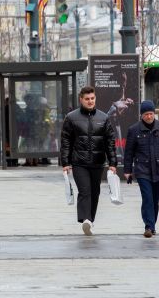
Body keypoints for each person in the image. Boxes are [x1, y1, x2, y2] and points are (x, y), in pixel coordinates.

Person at [60, 85, 117, 236]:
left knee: (95, 192)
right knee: (85, 191)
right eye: (87, 99)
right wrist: (65, 162)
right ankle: (85, 218)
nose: (90, 101)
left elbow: (110, 142)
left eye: (92, 98)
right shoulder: (71, 118)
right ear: (81, 99)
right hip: (79, 162)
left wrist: (113, 163)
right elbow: (65, 141)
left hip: (98, 162)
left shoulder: (104, 118)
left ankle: (90, 221)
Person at [123, 100, 159, 238]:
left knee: (155, 199)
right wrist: (127, 171)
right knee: (147, 198)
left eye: (151, 113)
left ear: (154, 114)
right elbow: (128, 152)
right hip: (142, 170)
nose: (149, 116)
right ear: (141, 115)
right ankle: (148, 226)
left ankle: (152, 225)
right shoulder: (134, 130)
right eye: (146, 114)